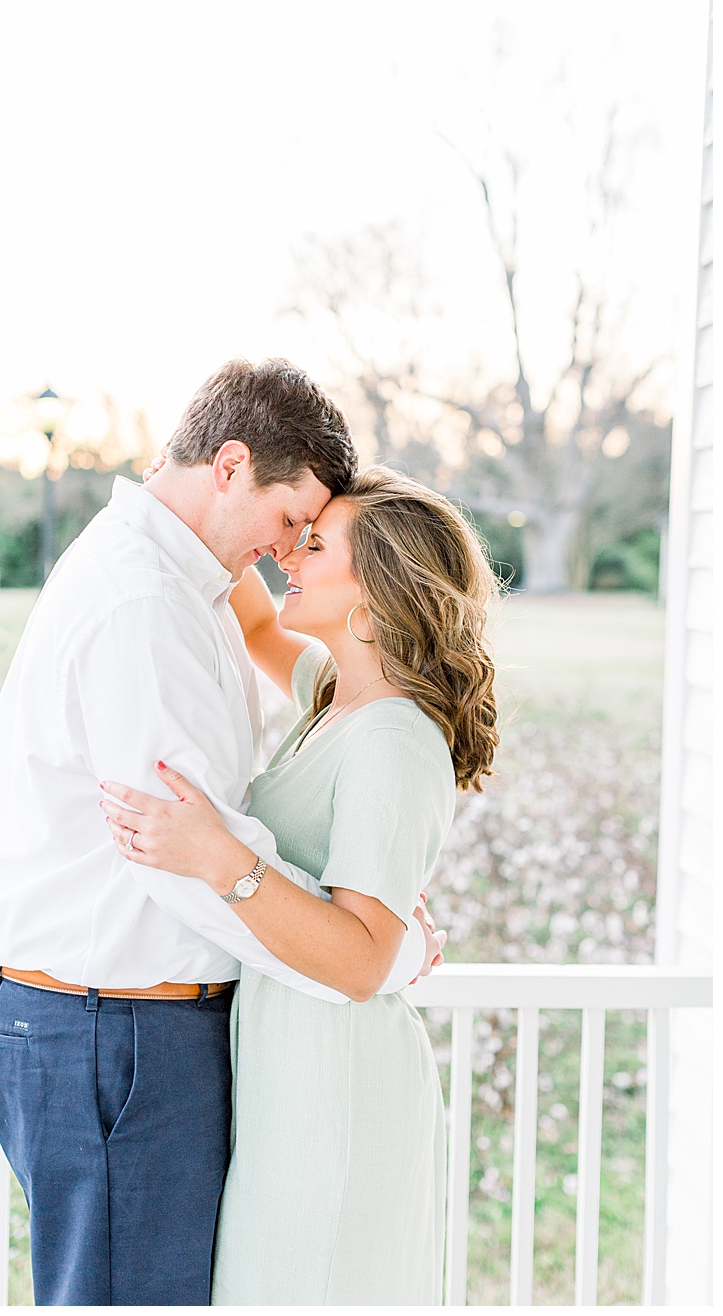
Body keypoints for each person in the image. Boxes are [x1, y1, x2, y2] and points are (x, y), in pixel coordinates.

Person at [0, 359, 440, 1306]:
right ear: (231, 465)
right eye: (290, 520)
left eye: (312, 538)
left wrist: (364, 941)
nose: (287, 550)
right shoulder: (145, 602)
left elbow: (266, 654)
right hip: (112, 1030)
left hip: (129, 1028)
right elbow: (182, 861)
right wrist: (379, 952)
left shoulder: (186, 582)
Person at [101, 465, 498, 1303]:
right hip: (285, 1080)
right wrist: (186, 480)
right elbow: (250, 616)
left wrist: (221, 858)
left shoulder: (393, 739)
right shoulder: (333, 695)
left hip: (336, 1096)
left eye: (315, 545)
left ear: (376, 595)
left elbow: (362, 960)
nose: (288, 555)